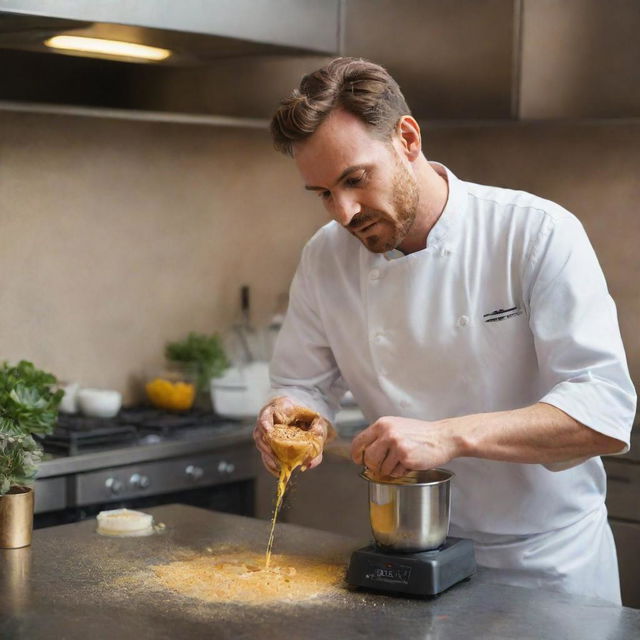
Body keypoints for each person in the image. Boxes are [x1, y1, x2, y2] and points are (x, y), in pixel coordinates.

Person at [252, 57, 636, 604]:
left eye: (355, 180)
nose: (343, 212)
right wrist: (290, 417)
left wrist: (446, 435)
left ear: (407, 138)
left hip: (544, 567)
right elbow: (304, 387)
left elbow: (603, 412)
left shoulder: (533, 233)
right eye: (322, 193)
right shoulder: (325, 259)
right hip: (408, 557)